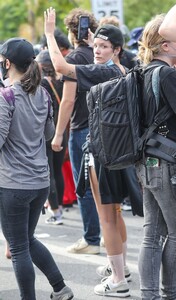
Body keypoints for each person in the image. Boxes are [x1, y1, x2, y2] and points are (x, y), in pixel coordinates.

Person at [44, 7, 143, 297]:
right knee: (113, 213)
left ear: (117, 50)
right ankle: (121, 267)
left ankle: (118, 280)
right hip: (117, 150)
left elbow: (61, 67)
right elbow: (100, 52)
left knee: (107, 217)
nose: (96, 50)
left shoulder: (105, 70)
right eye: (95, 45)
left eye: (103, 46)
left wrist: (50, 34)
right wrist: (93, 38)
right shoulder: (122, 67)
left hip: (103, 152)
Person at [0, 37, 73, 300]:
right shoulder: (41, 93)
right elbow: (49, 133)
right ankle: (60, 288)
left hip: (13, 183)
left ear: (7, 62)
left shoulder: (6, 96)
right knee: (27, 241)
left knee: (18, 248)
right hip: (40, 182)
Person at [135, 13, 176, 300]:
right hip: (170, 165)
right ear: (164, 46)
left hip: (148, 162)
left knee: (152, 234)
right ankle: (170, 294)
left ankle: (151, 295)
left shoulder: (145, 71)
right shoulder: (167, 75)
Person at [51, 8, 101, 254]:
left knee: (85, 187)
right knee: (104, 186)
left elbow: (68, 101)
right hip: (107, 129)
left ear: (72, 32)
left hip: (82, 128)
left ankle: (92, 238)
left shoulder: (75, 58)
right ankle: (105, 236)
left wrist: (59, 133)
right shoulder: (104, 54)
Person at [36, 49, 67, 225]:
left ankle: (55, 211)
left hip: (48, 132)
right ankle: (59, 207)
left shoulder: (41, 84)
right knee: (58, 170)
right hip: (62, 130)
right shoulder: (61, 81)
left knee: (49, 173)